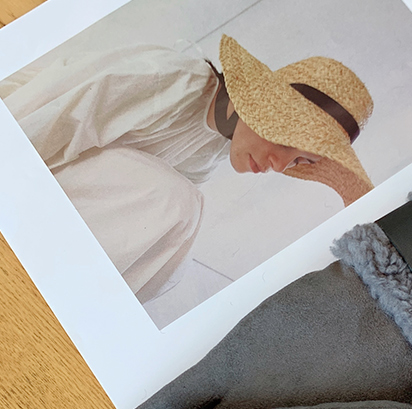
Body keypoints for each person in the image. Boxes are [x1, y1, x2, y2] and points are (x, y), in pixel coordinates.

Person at [0, 34, 374, 302]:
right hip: (16, 141)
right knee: (177, 204)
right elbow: (46, 114)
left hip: (42, 202)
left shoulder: (213, 150)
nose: (280, 165)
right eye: (288, 141)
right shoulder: (171, 79)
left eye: (301, 161)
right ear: (265, 105)